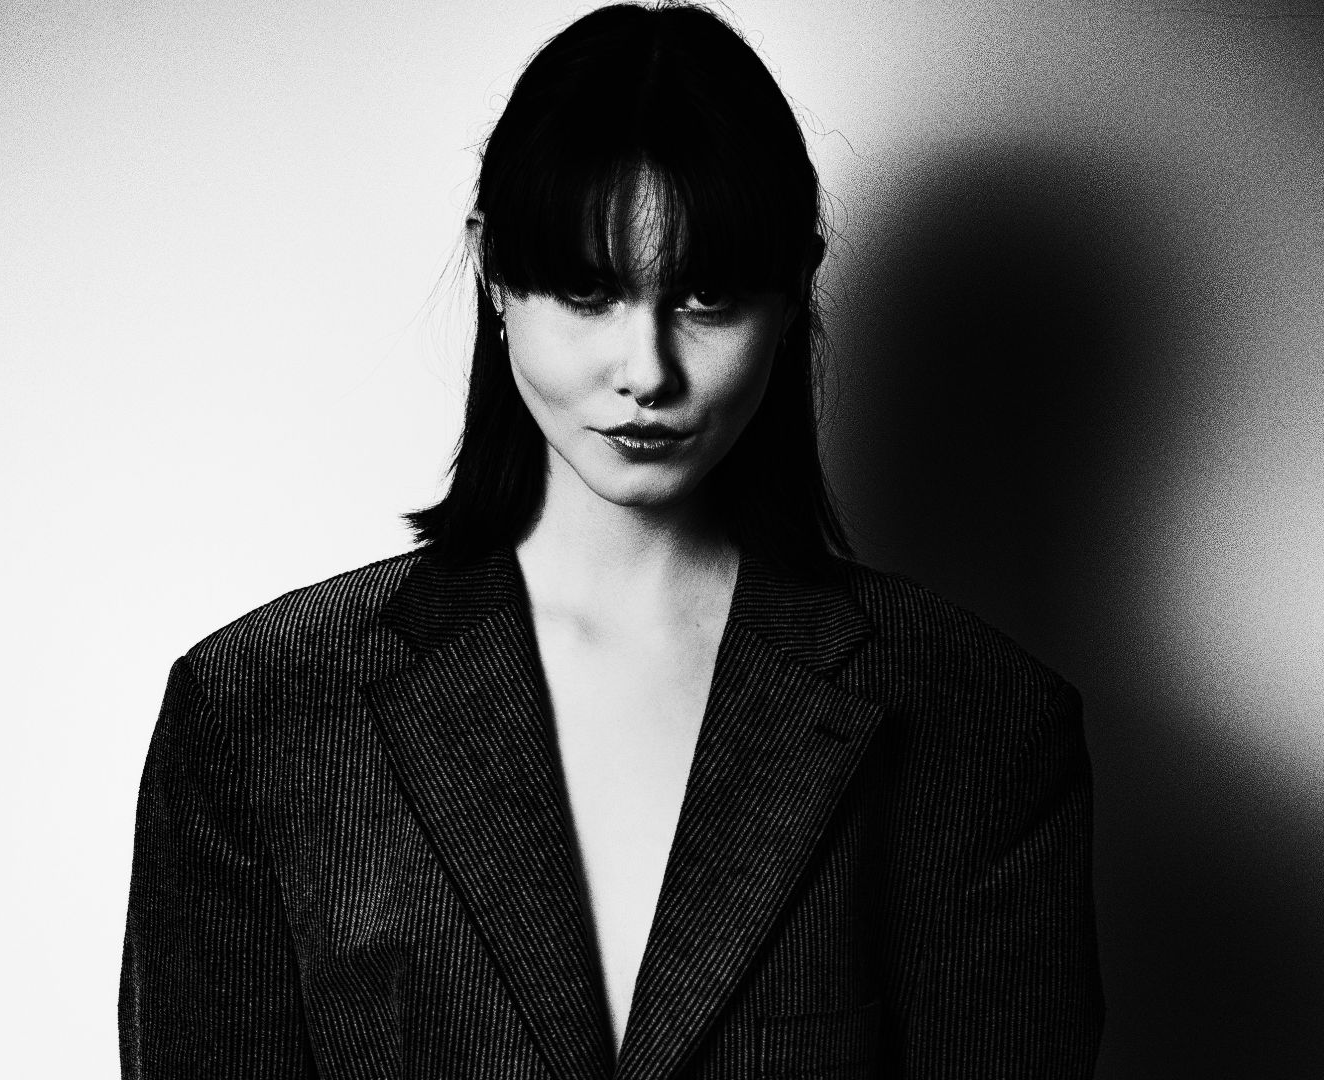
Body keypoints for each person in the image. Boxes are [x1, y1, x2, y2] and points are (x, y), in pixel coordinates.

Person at [118, 4, 1102, 1077]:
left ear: (793, 290)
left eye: (709, 296)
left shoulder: (981, 723)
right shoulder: (256, 715)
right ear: (495, 272)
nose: (647, 368)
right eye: (588, 291)